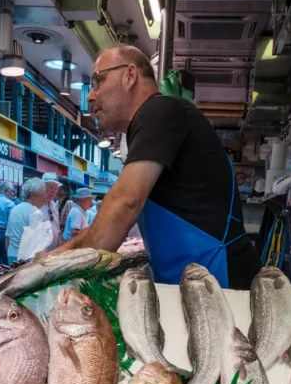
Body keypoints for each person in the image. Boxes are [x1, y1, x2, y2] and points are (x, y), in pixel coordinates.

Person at [57, 45, 258, 289]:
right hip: (193, 284)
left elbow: (125, 202)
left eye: (98, 81)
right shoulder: (152, 121)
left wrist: (60, 268)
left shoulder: (161, 110)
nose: (90, 95)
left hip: (221, 281)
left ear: (130, 76)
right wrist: (64, 254)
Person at [5, 177, 47, 264]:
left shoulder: (15, 209)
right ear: (33, 194)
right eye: (43, 193)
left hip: (12, 255)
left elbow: (7, 237)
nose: (45, 197)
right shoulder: (35, 212)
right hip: (27, 259)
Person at [39, 172, 61, 248]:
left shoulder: (54, 205)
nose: (53, 191)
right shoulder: (37, 205)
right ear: (43, 188)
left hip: (53, 251)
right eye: (51, 188)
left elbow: (57, 228)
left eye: (55, 188)